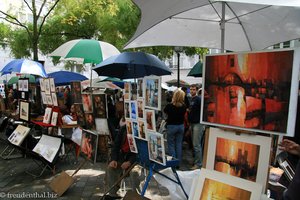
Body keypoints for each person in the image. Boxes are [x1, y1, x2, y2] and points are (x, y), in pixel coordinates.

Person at [104, 124, 138, 199]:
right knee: (111, 168)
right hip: (123, 157)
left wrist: (130, 162)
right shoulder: (124, 128)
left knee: (134, 173)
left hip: (136, 160)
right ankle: (113, 194)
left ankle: (136, 196)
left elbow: (140, 153)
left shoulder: (140, 128)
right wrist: (114, 159)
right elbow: (116, 145)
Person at [164, 89, 186, 164]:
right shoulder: (184, 106)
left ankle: (173, 163)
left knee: (171, 145)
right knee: (179, 144)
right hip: (181, 126)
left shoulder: (169, 106)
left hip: (171, 126)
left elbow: (165, 113)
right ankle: (178, 162)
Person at [188, 84, 205, 169]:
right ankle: (196, 161)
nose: (192, 91)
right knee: (194, 144)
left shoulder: (198, 99)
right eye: (191, 89)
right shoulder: (192, 99)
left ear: (197, 90)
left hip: (198, 124)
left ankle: (198, 164)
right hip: (193, 123)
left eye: (193, 89)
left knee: (196, 144)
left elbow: (203, 110)